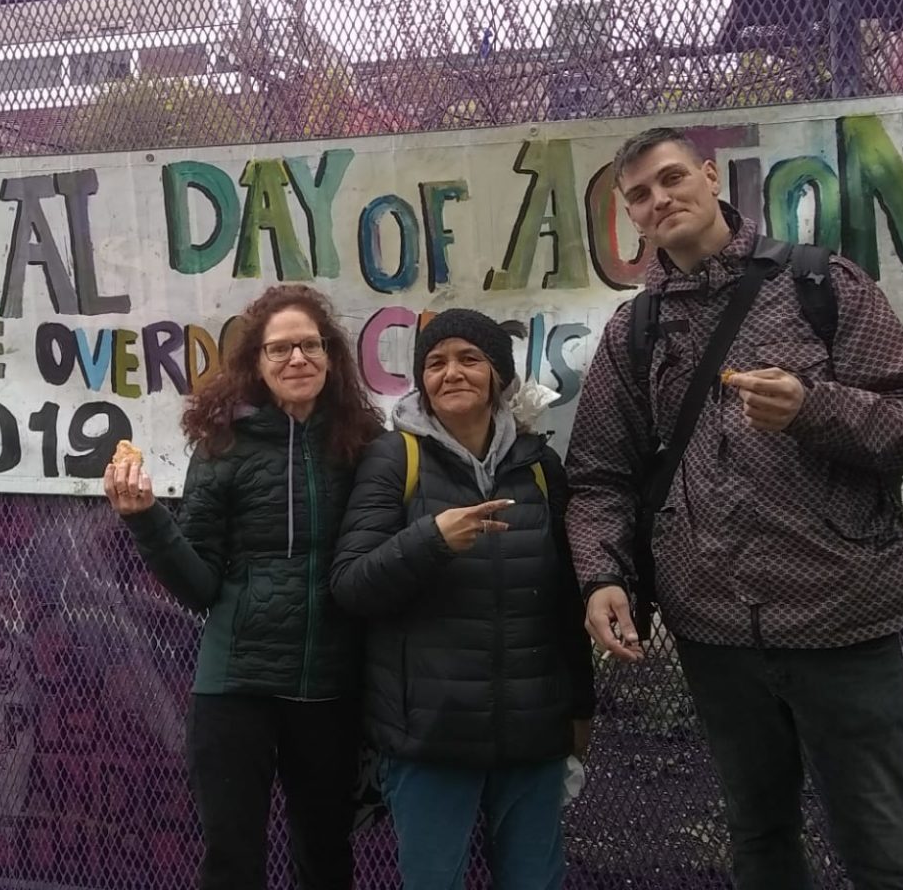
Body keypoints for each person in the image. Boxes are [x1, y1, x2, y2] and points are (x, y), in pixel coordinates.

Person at [565, 126, 903, 890]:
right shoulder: (635, 330)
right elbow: (600, 476)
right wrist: (601, 576)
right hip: (714, 634)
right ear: (630, 215)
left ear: (711, 178)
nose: (659, 199)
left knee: (881, 848)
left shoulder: (823, 285)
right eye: (639, 194)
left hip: (842, 621)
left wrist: (814, 409)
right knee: (760, 842)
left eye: (672, 178)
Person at [103, 284, 383, 890]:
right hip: (235, 689)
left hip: (329, 687)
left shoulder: (364, 443)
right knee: (231, 863)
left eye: (309, 345)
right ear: (257, 362)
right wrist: (147, 519)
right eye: (279, 348)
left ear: (330, 355)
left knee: (327, 859)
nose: (297, 359)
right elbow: (199, 585)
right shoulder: (222, 446)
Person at [331, 309, 595, 890]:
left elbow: (566, 602)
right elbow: (351, 585)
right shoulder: (394, 458)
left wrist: (579, 708)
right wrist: (431, 540)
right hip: (429, 737)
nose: (451, 372)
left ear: (498, 375)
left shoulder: (540, 467)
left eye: (469, 359)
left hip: (532, 735)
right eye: (435, 362)